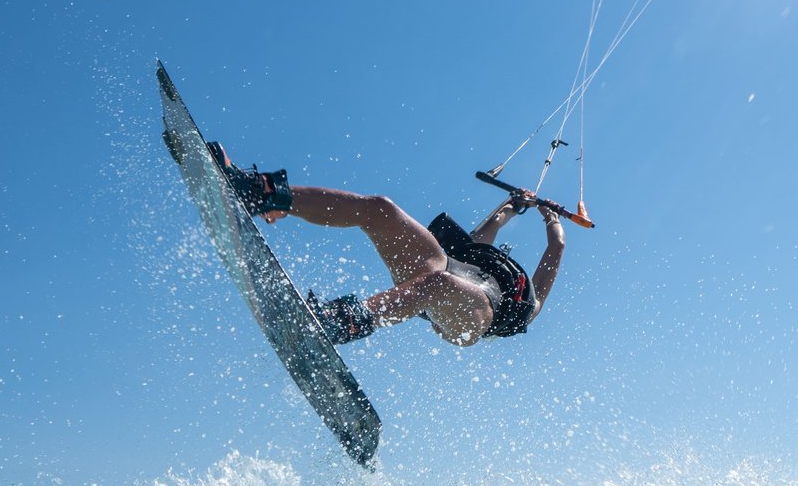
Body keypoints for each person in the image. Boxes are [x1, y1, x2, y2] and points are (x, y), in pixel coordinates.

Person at [208, 145, 566, 347]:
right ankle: (260, 195)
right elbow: (492, 227)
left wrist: (551, 218)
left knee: (443, 283)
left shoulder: (530, 306)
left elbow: (556, 249)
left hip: (470, 318)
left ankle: (343, 322)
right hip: (441, 274)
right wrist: (515, 204)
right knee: (380, 208)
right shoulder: (479, 259)